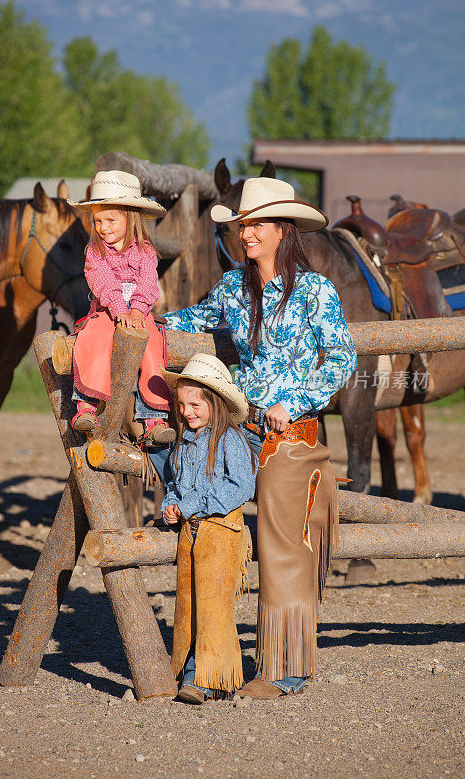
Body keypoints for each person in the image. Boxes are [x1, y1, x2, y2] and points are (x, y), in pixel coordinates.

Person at [161, 177, 357, 699]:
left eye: (256, 225)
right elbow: (186, 319)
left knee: (282, 549)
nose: (246, 234)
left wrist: (292, 403)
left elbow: (342, 357)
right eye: (243, 225)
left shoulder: (316, 292)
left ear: (281, 231)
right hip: (238, 433)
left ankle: (283, 666)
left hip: (290, 434)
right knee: (213, 534)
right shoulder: (232, 288)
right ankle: (207, 660)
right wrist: (139, 320)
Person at [160, 353, 257, 704]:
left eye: (196, 404)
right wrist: (170, 505)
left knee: (213, 606)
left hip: (221, 532)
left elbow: (243, 487)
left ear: (215, 403)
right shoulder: (182, 443)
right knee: (186, 604)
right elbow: (175, 485)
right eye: (182, 404)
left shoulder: (230, 440)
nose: (188, 412)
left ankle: (204, 677)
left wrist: (191, 505)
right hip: (192, 533)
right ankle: (188, 669)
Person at [67, 170, 175, 443]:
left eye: (111, 220)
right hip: (107, 309)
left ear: (131, 218)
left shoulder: (146, 251)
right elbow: (102, 280)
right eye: (98, 221)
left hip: (139, 312)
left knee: (152, 348)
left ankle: (154, 417)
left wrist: (138, 310)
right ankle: (87, 405)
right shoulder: (95, 251)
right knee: (94, 339)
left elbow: (149, 282)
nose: (103, 227)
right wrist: (119, 309)